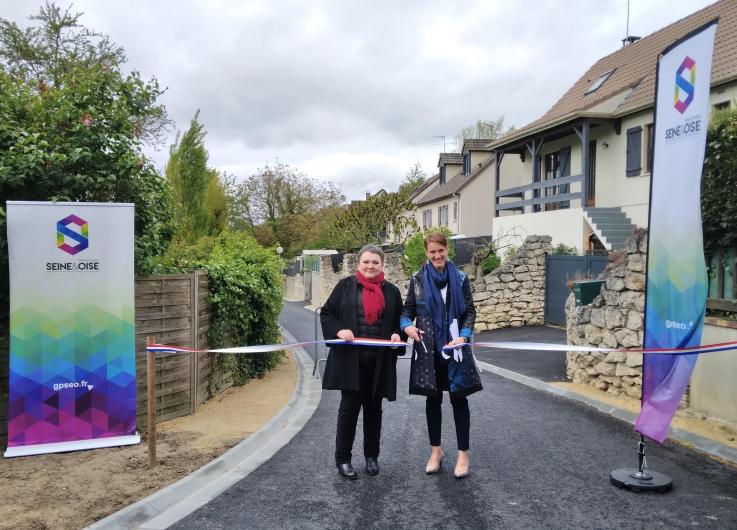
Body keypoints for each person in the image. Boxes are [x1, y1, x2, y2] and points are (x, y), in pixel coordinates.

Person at [400, 231, 482, 479]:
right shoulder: (417, 279)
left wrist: (465, 334)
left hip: (456, 348)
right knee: (432, 401)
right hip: (428, 350)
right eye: (432, 251)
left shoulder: (460, 278)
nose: (437, 255)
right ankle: (436, 451)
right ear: (427, 253)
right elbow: (407, 311)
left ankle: (463, 454)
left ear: (448, 250)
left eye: (441, 250)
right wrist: (407, 327)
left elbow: (469, 310)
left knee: (459, 399)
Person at [320, 244, 405, 479]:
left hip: (378, 363)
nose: (370, 266)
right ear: (358, 264)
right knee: (348, 411)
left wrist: (398, 334)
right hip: (351, 362)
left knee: (373, 412)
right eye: (366, 262)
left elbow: (400, 321)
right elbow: (327, 314)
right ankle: (343, 460)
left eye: (375, 262)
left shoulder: (392, 292)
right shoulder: (345, 287)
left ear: (382, 265)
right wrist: (338, 331)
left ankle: (371, 457)